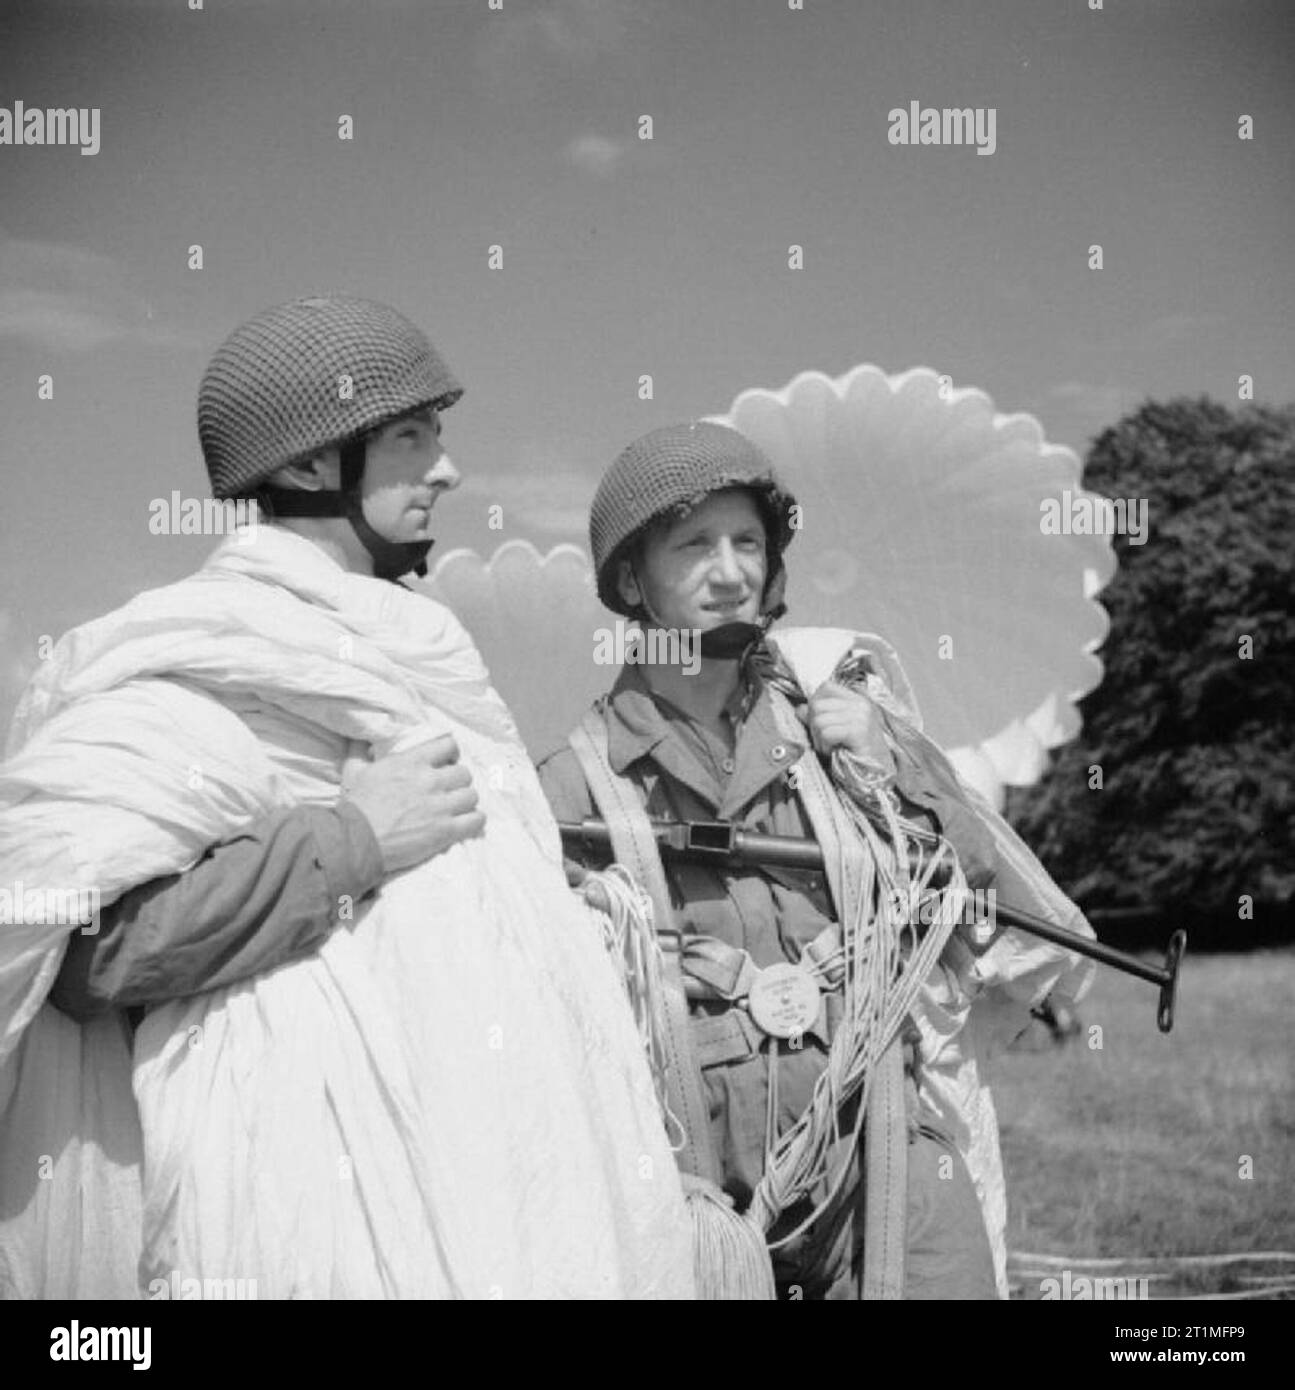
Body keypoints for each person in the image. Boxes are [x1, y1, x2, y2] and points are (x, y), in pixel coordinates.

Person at [0, 296, 694, 1300]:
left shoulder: (409, 649)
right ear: (307, 467)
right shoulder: (200, 652)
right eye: (412, 438)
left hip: (482, 1196)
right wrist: (353, 839)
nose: (448, 471)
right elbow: (81, 953)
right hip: (307, 1219)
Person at [536, 420, 1097, 1299]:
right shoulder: (572, 788)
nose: (730, 571)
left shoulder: (846, 730)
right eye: (694, 545)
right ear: (632, 580)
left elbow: (973, 893)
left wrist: (892, 766)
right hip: (686, 1190)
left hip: (880, 1151)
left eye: (747, 543)